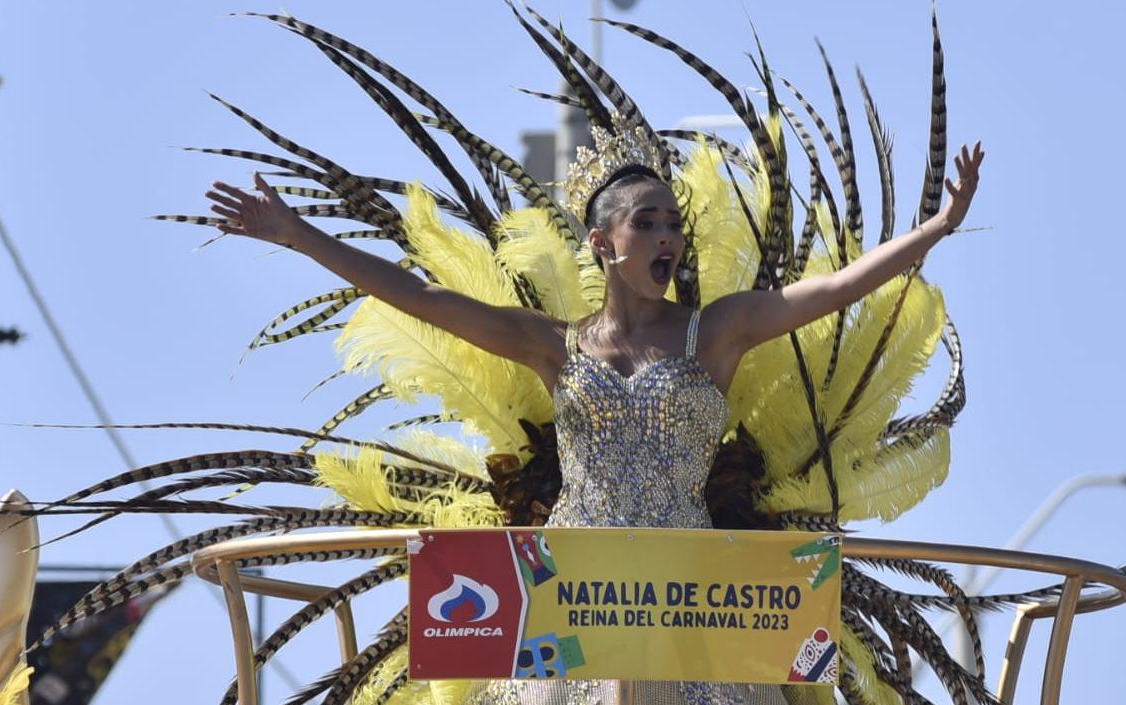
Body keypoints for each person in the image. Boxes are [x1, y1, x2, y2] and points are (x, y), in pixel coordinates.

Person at [203, 126, 982, 705]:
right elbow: (422, 298)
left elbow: (837, 289)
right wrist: (298, 234)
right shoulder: (552, 344)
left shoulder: (717, 331)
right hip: (570, 597)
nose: (668, 236)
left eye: (673, 222)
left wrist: (937, 228)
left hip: (685, 599)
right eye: (647, 222)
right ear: (602, 242)